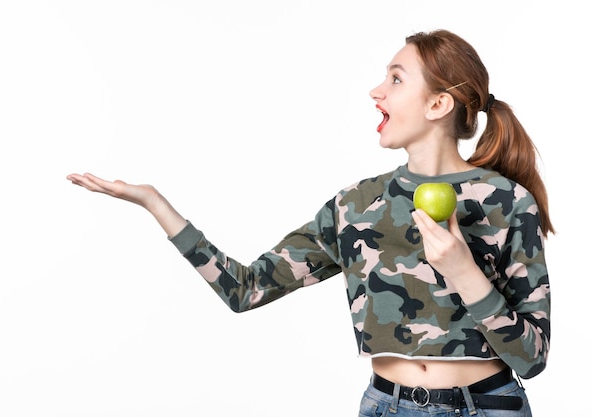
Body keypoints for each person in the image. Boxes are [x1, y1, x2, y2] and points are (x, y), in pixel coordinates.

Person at [67, 29, 552, 416]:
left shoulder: (509, 203)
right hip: (386, 407)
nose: (375, 90)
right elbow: (246, 290)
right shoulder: (356, 205)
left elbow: (531, 359)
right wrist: (157, 205)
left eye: (396, 79)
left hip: (488, 407)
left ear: (438, 104)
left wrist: (463, 270)